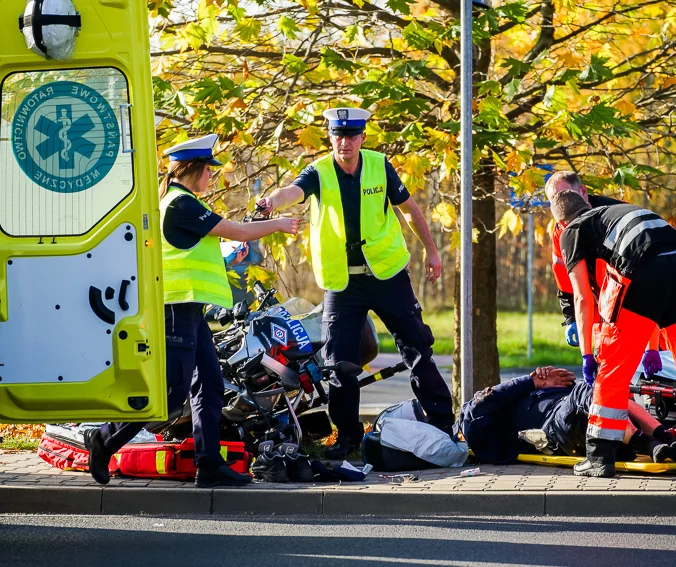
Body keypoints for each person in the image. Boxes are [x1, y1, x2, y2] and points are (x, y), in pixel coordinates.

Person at [84, 134, 300, 487]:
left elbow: (196, 252)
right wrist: (278, 223)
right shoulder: (181, 203)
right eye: (209, 171)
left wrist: (228, 255)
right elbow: (240, 230)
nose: (212, 177)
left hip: (191, 312)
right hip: (175, 310)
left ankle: (208, 463)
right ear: (194, 169)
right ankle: (104, 440)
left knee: (211, 386)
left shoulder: (181, 204)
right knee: (171, 393)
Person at [257, 107, 453, 458]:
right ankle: (347, 439)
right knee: (338, 362)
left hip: (388, 274)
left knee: (417, 349)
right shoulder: (318, 171)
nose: (344, 142)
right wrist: (273, 200)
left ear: (362, 138)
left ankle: (443, 426)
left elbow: (410, 209)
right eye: (337, 135)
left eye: (351, 136)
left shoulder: (379, 165)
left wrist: (431, 252)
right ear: (330, 137)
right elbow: (294, 191)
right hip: (343, 282)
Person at [550, 190, 676, 477]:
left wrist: (587, 354)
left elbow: (583, 298)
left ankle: (599, 457)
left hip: (643, 269)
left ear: (560, 222)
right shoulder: (623, 213)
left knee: (613, 369)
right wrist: (650, 347)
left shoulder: (570, 231)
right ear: (586, 203)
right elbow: (656, 270)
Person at [545, 172, 664, 381]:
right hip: (606, 309)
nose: (562, 202)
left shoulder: (617, 217)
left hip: (639, 303)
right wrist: (571, 317)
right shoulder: (561, 229)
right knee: (612, 376)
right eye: (555, 199)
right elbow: (565, 277)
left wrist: (652, 346)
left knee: (659, 378)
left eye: (565, 194)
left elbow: (647, 281)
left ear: (583, 192)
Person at [458, 367, 676, 465]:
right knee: (592, 391)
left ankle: (666, 440)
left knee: (608, 392)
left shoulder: (521, 397)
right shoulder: (471, 418)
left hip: (575, 418)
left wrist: (543, 383)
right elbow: (484, 403)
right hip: (554, 429)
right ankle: (647, 443)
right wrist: (531, 381)